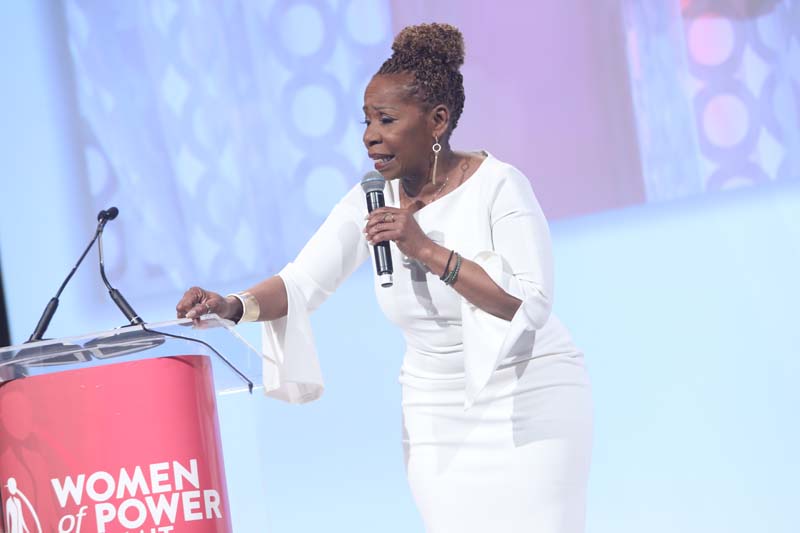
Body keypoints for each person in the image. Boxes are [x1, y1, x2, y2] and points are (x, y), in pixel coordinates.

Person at [177, 23, 592, 533]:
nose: (369, 135)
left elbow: (527, 303)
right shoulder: (369, 199)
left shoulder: (499, 186)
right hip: (436, 414)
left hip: (528, 398)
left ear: (437, 121)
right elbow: (300, 284)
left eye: (387, 119)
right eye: (367, 120)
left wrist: (426, 249)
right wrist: (231, 305)